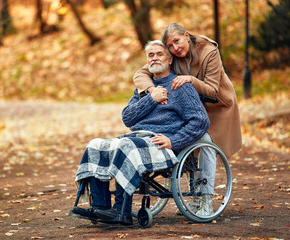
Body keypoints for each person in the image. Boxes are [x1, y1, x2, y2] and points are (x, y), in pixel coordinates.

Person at [70, 40, 210, 225]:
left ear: (169, 60)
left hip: (161, 143)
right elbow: (128, 118)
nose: (154, 58)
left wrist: (174, 140)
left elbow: (201, 121)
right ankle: (100, 207)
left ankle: (122, 210)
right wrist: (151, 99)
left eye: (159, 54)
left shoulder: (180, 86)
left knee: (126, 146)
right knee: (96, 144)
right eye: (150, 55)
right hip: (137, 138)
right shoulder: (144, 89)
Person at [133, 23, 242, 216]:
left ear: (186, 35)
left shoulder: (209, 51)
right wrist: (152, 90)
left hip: (216, 105)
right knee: (187, 137)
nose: (175, 47)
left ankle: (206, 198)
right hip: (190, 105)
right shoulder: (172, 55)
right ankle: (195, 196)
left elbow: (213, 90)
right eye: (171, 45)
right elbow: (142, 73)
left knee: (206, 142)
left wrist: (190, 79)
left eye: (177, 41)